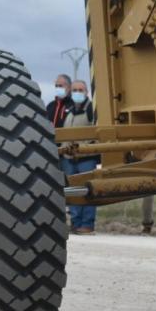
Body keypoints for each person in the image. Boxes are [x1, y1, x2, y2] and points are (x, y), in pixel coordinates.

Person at [60, 81, 98, 235]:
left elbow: (97, 133)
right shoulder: (69, 111)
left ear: (87, 92)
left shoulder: (91, 110)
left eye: (80, 90)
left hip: (86, 158)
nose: (77, 93)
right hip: (69, 159)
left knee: (88, 192)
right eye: (75, 90)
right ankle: (76, 224)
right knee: (73, 192)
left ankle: (87, 225)